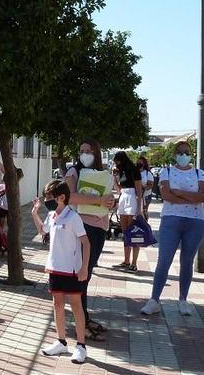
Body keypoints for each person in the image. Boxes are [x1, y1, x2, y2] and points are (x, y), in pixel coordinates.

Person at [141, 140, 204, 316]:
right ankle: (154, 299)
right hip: (171, 220)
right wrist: (190, 197)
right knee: (164, 260)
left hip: (196, 221)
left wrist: (177, 193)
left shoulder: (199, 173)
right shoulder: (167, 172)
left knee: (187, 261)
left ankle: (183, 299)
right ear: (174, 154)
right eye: (180, 152)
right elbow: (165, 194)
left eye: (187, 152)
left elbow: (203, 196)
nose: (183, 156)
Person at [31, 180, 90, 365]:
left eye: (49, 196)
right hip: (55, 268)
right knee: (57, 304)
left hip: (72, 270)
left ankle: (81, 346)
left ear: (61, 197)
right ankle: (61, 341)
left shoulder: (73, 217)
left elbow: (86, 243)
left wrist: (84, 268)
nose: (47, 199)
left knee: (76, 305)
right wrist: (34, 212)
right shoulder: (51, 215)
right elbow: (43, 231)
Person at [63, 141, 117, 341]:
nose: (85, 154)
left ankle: (84, 318)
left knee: (87, 274)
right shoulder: (73, 172)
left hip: (99, 228)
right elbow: (69, 198)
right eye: (82, 151)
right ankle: (81, 324)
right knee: (81, 275)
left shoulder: (102, 174)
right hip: (82, 229)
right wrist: (98, 201)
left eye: (89, 151)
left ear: (97, 154)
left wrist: (110, 202)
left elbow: (107, 199)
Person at [111, 151, 143, 272]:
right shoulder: (121, 171)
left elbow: (139, 190)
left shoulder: (134, 170)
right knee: (125, 232)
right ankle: (126, 260)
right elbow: (119, 190)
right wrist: (114, 177)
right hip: (124, 198)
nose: (116, 164)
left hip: (133, 199)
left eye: (117, 161)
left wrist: (139, 209)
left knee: (133, 233)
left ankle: (134, 263)